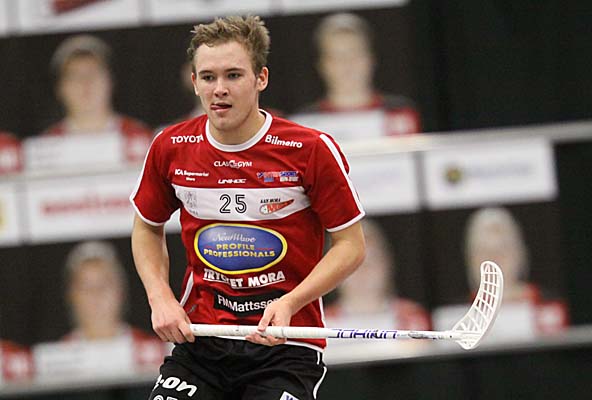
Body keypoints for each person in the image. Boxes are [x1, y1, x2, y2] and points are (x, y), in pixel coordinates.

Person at [130, 15, 366, 400]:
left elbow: (351, 245)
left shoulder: (310, 149)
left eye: (234, 75)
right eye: (208, 77)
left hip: (285, 344)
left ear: (261, 78)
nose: (219, 89)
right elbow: (146, 226)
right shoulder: (170, 147)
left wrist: (291, 302)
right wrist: (160, 298)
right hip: (202, 341)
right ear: (194, 82)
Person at [433, 207, 569, 344]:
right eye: (484, 251)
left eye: (503, 248)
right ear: (470, 259)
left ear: (519, 252)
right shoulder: (454, 316)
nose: (495, 259)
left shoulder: (553, 305)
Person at [291, 12, 421, 142]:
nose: (347, 64)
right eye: (336, 56)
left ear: (370, 59)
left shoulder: (400, 113)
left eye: (355, 53)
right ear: (323, 65)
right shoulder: (304, 123)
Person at [39, 34, 153, 165]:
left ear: (110, 81)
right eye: (74, 76)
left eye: (93, 73)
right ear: (60, 88)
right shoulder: (45, 146)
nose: (85, 83)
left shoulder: (141, 136)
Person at [62, 240, 166, 369]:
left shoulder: (153, 351)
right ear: (72, 296)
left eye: (104, 284)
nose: (96, 294)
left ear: (120, 291)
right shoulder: (58, 357)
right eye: (86, 287)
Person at [325, 218, 430, 331]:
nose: (363, 271)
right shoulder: (323, 324)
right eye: (352, 263)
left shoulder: (413, 319)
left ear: (387, 263)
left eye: (372, 259)